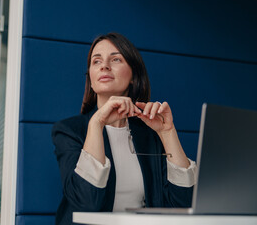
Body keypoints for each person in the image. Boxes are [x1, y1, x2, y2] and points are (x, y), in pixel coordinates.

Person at [52, 32, 197, 225]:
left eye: (116, 59)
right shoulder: (69, 131)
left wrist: (167, 132)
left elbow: (182, 204)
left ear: (133, 77)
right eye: (96, 61)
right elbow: (86, 203)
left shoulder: (148, 134)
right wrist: (96, 124)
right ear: (91, 80)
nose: (104, 65)